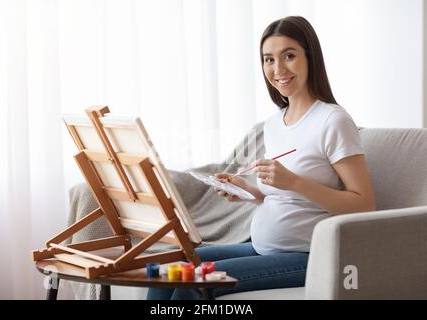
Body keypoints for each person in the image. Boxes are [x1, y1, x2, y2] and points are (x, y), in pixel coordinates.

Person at [146, 15, 375, 300]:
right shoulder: (275, 123)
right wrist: (248, 191)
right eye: (268, 59)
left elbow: (363, 205)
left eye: (288, 56)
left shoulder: (333, 120)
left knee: (193, 282)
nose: (277, 69)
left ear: (310, 57)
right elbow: (282, 199)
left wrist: (293, 182)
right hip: (263, 247)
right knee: (166, 271)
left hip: (310, 255)